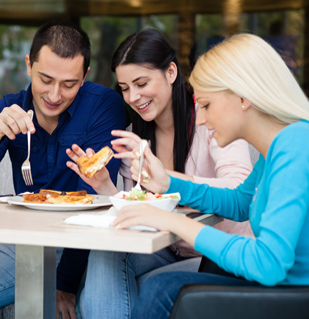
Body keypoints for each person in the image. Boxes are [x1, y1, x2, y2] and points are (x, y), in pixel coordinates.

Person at [111, 33, 309, 319]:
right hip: (282, 287)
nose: (200, 119)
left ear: (242, 98)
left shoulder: (294, 145)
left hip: (292, 296)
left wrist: (173, 221)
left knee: (162, 290)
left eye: (205, 105)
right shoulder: (279, 146)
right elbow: (241, 202)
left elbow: (268, 264)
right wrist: (169, 184)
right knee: (164, 286)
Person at [65, 28, 253, 318]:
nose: (133, 97)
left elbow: (238, 187)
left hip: (216, 255)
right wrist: (105, 187)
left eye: (141, 83)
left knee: (138, 283)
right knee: (104, 252)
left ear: (171, 72)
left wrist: (168, 181)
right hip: (167, 249)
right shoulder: (133, 137)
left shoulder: (211, 118)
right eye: (125, 88)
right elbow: (139, 210)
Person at [0, 20, 126, 319]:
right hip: (29, 245)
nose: (54, 95)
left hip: (89, 246)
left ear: (85, 77)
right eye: (46, 79)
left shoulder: (103, 106)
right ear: (29, 65)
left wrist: (64, 282)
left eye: (69, 84)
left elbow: (99, 198)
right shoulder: (8, 109)